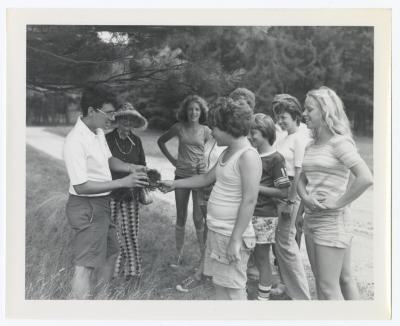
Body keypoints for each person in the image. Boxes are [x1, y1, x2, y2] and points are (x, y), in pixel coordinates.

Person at [160, 98, 262, 300]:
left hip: (231, 235)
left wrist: (235, 240)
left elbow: (249, 201)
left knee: (233, 290)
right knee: (220, 287)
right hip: (217, 231)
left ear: (228, 127)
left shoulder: (247, 156)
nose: (212, 132)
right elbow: (207, 178)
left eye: (215, 127)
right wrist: (175, 184)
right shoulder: (228, 152)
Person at [63, 85, 149, 299]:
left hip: (102, 204)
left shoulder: (98, 132)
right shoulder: (75, 141)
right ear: (92, 111)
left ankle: (102, 303)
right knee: (86, 265)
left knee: (111, 252)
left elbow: (109, 160)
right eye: (109, 113)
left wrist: (132, 167)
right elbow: (81, 186)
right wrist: (122, 183)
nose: (112, 118)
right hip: (87, 205)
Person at [297, 86, 373, 300]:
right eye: (305, 109)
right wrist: (304, 198)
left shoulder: (340, 143)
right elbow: (302, 179)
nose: (304, 114)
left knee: (328, 289)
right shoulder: (311, 145)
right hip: (312, 220)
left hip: (332, 223)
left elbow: (365, 177)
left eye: (309, 109)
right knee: (336, 282)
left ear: (325, 112)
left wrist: (338, 203)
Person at [157, 95, 212, 267]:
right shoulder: (178, 127)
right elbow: (161, 141)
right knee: (181, 215)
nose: (193, 112)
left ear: (201, 111)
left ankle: (203, 259)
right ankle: (178, 255)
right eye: (190, 109)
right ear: (185, 111)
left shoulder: (206, 131)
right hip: (181, 176)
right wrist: (173, 160)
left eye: (197, 109)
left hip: (199, 178)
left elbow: (211, 152)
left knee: (198, 218)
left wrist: (206, 167)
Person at [271, 94, 311, 300]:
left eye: (284, 117)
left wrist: (290, 201)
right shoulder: (286, 137)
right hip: (279, 193)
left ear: (296, 116)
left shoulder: (300, 138)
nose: (280, 121)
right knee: (280, 244)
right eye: (278, 117)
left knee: (286, 243)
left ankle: (303, 298)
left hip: (289, 196)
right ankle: (287, 288)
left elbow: (300, 172)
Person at [248, 113, 291, 300]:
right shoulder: (251, 155)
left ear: (265, 133)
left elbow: (283, 191)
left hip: (264, 215)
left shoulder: (276, 159)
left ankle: (262, 300)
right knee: (246, 257)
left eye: (253, 132)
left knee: (262, 259)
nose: (250, 136)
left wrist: (256, 187)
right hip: (247, 212)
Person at [105, 102, 148, 279]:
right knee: (112, 231)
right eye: (124, 120)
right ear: (118, 120)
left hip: (131, 192)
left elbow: (143, 165)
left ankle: (134, 272)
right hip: (111, 191)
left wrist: (145, 182)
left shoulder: (136, 141)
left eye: (131, 121)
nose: (127, 124)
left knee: (130, 232)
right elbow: (103, 164)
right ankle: (113, 271)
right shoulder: (107, 139)